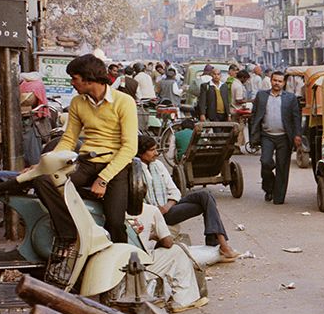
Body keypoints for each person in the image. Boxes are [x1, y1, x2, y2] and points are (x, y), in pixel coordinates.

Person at [41, 53, 139, 281]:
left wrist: (104, 178)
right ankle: (68, 234)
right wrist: (44, 164)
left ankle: (122, 271)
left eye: (74, 78)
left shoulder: (124, 102)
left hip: (115, 166)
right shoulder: (77, 103)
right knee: (44, 181)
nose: (72, 83)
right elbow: (68, 139)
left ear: (88, 79)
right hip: (85, 163)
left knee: (115, 221)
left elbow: (129, 147)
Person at [136, 134, 239, 260]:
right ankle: (221, 245)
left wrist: (167, 206)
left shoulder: (158, 166)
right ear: (141, 153)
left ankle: (220, 243)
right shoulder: (135, 171)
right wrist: (158, 210)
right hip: (156, 216)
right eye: (152, 150)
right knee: (206, 202)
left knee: (205, 195)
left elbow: (175, 191)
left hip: (168, 208)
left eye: (156, 149)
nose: (156, 153)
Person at [129, 202, 206, 312]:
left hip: (116, 267)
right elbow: (168, 242)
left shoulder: (107, 208)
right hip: (138, 269)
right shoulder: (150, 210)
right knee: (178, 250)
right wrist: (154, 236)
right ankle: (183, 300)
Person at [249, 71, 302, 204]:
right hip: (267, 136)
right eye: (275, 80)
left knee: (282, 168)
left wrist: (297, 135)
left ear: (284, 83)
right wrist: (253, 135)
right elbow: (254, 116)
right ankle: (268, 188)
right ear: (270, 81)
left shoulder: (290, 98)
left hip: (284, 137)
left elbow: (296, 118)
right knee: (265, 162)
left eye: (280, 81)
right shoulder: (261, 96)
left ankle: (278, 197)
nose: (277, 83)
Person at [18, 71, 52, 167]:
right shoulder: (35, 86)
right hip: (32, 119)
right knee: (32, 150)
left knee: (32, 149)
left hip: (32, 119)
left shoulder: (29, 86)